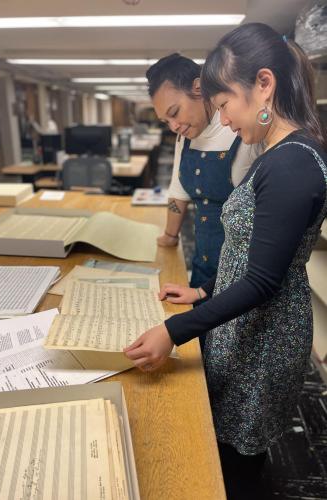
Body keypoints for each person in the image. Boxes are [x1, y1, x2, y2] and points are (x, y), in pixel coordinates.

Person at [124, 23, 327, 499]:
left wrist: (173, 332)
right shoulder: (277, 153)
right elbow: (252, 258)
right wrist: (200, 293)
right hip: (247, 326)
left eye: (225, 105)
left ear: (264, 84)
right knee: (223, 446)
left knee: (236, 469)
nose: (226, 119)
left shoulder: (295, 161)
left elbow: (261, 282)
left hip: (266, 339)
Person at [146, 54, 259, 290]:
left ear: (198, 88)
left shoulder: (242, 130)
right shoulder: (184, 138)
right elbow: (178, 193)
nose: (173, 126)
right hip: (203, 264)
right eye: (165, 121)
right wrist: (170, 235)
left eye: (174, 112)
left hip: (244, 276)